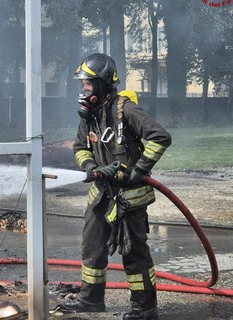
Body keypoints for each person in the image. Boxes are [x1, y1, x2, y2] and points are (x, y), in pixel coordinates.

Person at [59, 53, 171, 320]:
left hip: (129, 197)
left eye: (88, 83)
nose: (83, 89)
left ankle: (144, 308)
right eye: (82, 84)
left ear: (102, 84)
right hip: (100, 195)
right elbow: (80, 147)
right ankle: (91, 301)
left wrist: (139, 170)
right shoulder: (89, 115)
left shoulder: (125, 109)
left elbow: (160, 137)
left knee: (134, 254)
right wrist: (89, 168)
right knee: (92, 248)